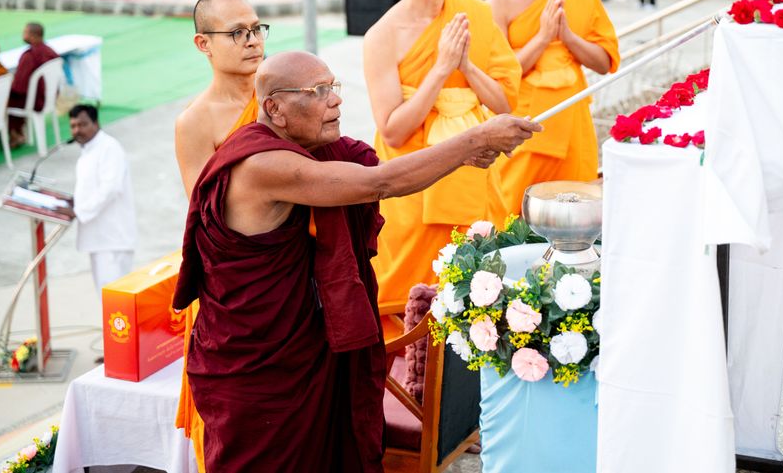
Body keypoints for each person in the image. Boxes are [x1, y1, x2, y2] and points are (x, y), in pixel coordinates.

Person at [172, 51, 538, 472]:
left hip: (305, 348)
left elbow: (384, 172)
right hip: (258, 368)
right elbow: (379, 183)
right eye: (319, 91)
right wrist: (476, 140)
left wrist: (461, 155)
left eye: (334, 87)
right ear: (274, 107)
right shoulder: (260, 165)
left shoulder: (315, 152)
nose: (335, 100)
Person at [363, 0, 522, 308]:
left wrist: (466, 66)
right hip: (413, 182)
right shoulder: (383, 35)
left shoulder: (476, 15)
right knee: (408, 300)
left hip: (475, 173)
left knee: (480, 293)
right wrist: (440, 68)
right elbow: (393, 131)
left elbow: (504, 105)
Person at [173, 0, 266, 472]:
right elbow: (208, 220)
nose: (252, 42)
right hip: (236, 291)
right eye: (236, 33)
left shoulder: (283, 93)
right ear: (203, 45)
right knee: (235, 424)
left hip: (294, 274)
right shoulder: (195, 122)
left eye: (256, 29)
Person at [487, 0, 620, 213]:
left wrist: (569, 38)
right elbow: (498, 77)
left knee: (577, 208)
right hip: (525, 127)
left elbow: (604, 63)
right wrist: (543, 38)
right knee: (514, 209)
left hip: (573, 119)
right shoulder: (500, 4)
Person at [67, 104, 136, 301]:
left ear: (96, 123)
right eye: (73, 126)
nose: (77, 130)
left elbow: (110, 189)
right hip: (99, 239)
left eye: (82, 124)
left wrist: (79, 211)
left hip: (112, 239)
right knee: (106, 300)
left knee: (116, 303)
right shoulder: (89, 151)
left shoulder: (109, 148)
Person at [8, 22, 59, 148]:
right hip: (49, 97)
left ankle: (15, 134)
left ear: (33, 35)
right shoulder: (50, 51)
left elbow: (19, 87)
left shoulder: (29, 56)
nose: (23, 35)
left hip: (36, 101)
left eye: (25, 32)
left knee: (2, 99)